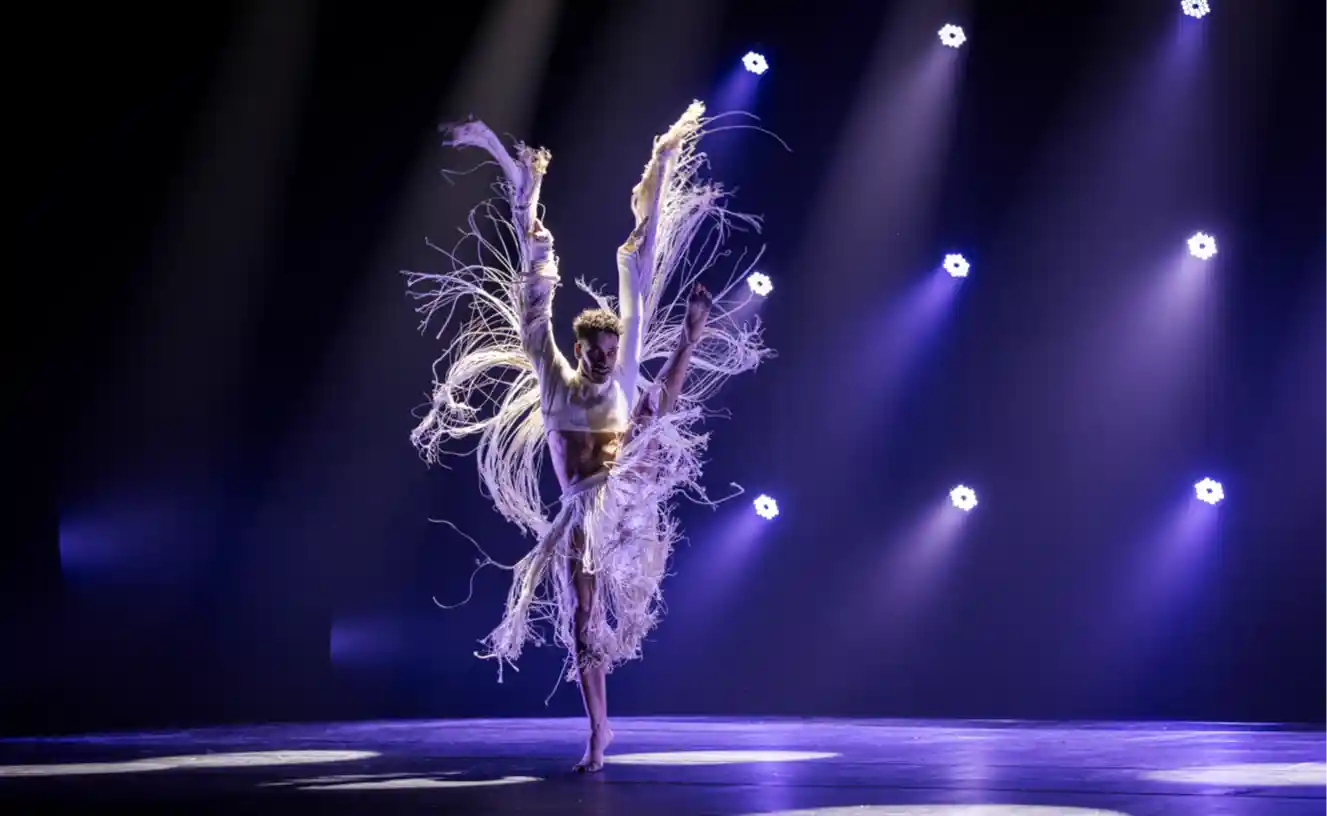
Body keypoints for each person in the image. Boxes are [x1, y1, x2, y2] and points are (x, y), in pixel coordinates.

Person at [405, 101, 772, 772]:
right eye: (597, 349)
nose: (607, 357)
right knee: (581, 623)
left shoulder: (624, 373)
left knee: (600, 605)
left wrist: (662, 167)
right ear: (581, 347)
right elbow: (532, 291)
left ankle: (599, 727)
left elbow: (642, 272)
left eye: (612, 349)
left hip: (621, 501)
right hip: (578, 512)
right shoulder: (554, 380)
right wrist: (502, 161)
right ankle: (598, 730)